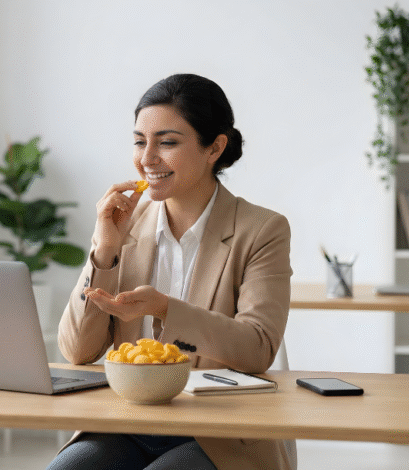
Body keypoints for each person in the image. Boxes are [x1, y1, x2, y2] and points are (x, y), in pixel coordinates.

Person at [48, 74, 296, 470]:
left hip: (219, 432)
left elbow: (258, 347)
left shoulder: (261, 230)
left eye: (167, 142)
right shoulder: (124, 222)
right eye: (139, 141)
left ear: (215, 147)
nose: (147, 158)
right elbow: (77, 350)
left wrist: (166, 309)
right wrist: (105, 253)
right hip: (127, 421)